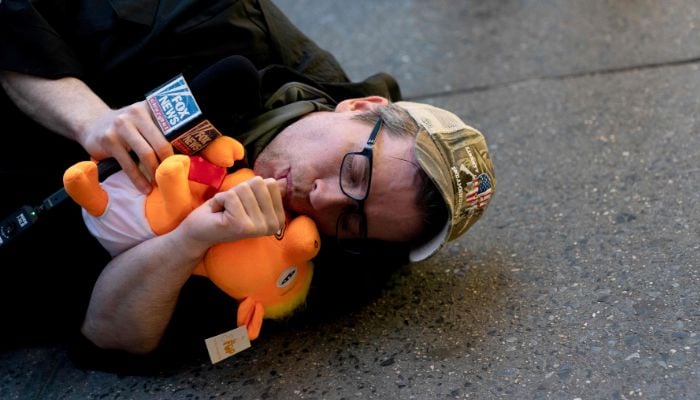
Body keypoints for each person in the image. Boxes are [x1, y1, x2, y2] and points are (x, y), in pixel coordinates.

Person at [0, 0, 495, 372]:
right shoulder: (212, 22)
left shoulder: (320, 264)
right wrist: (89, 119)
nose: (323, 198)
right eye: (354, 172)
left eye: (350, 218)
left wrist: (191, 240)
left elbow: (110, 337)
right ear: (358, 107)